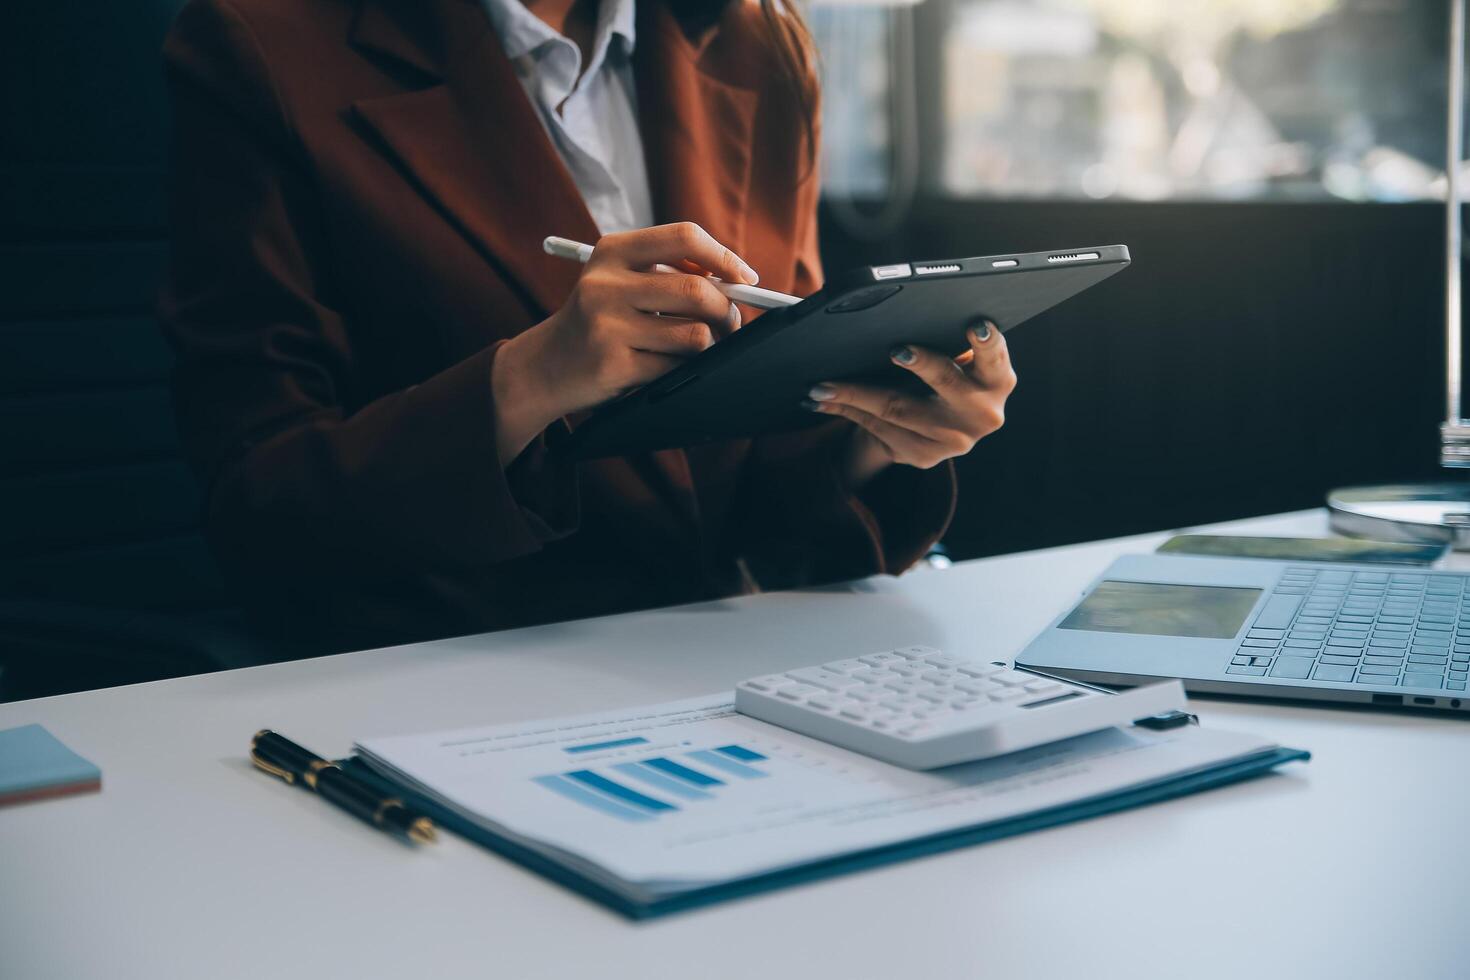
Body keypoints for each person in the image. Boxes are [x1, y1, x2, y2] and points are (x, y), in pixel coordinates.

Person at [159, 0, 1017, 653]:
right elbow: (259, 508)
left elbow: (760, 468)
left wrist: (884, 432)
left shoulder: (757, 42)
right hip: (447, 677)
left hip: (718, 665)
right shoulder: (264, 47)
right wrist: (530, 380)